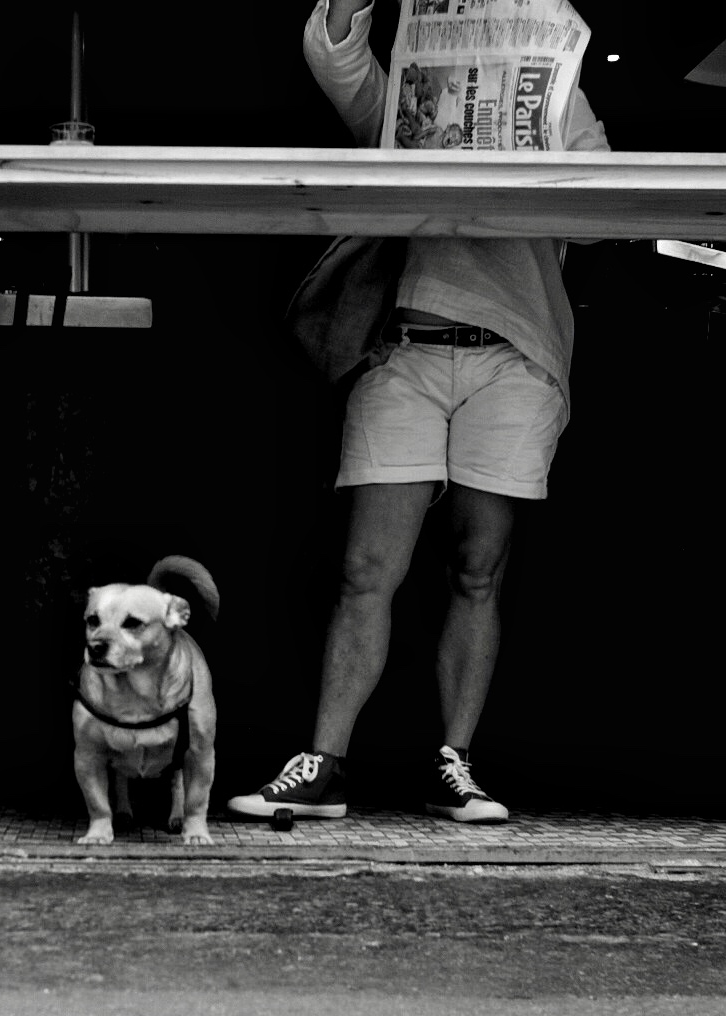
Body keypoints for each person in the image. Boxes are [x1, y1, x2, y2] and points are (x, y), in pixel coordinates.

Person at [226, 0, 609, 825]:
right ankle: (324, 763)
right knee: (367, 570)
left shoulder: (562, 96)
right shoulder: (414, 88)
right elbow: (340, 65)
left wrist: (532, 145)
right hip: (406, 346)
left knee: (478, 567)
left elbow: (604, 200)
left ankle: (453, 763)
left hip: (515, 352)